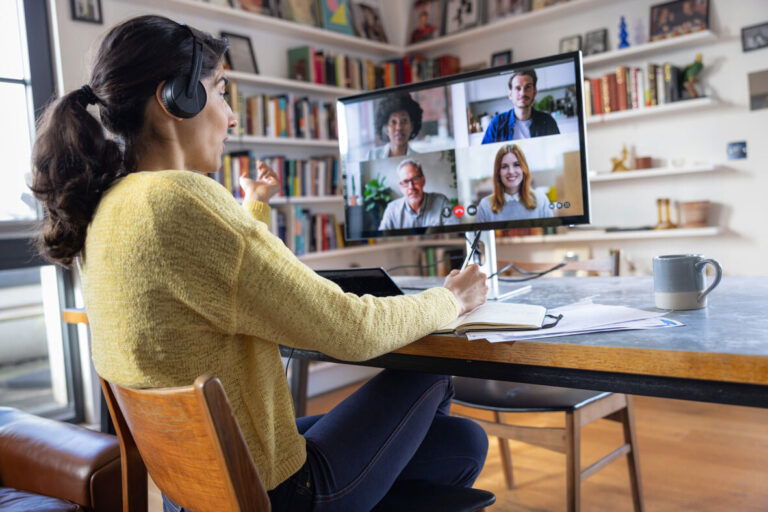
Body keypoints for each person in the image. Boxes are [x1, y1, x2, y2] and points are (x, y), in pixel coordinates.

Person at [29, 15, 490, 512]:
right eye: (221, 91)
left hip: (199, 486)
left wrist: (254, 205)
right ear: (174, 100)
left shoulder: (112, 206)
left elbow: (226, 284)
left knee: (461, 443)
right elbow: (350, 331)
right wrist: (451, 298)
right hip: (277, 493)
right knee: (432, 370)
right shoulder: (182, 199)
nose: (231, 118)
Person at [476, 144, 553, 223]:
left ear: (524, 169)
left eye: (516, 165)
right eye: (504, 166)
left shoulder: (541, 200)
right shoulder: (485, 206)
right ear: (498, 172)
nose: (511, 171)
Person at [481, 68, 560, 144]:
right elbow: (484, 154)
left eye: (527, 87)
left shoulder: (548, 122)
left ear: (534, 92)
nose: (523, 93)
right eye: (517, 88)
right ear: (510, 94)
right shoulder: (497, 123)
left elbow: (558, 152)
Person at [378, 159, 459, 230]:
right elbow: (381, 239)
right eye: (405, 182)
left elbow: (456, 231)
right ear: (400, 187)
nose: (411, 187)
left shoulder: (441, 202)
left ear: (423, 180)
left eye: (415, 179)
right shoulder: (392, 210)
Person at [367, 93, 422, 159]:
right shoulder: (372, 156)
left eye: (404, 121)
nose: (399, 127)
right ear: (386, 128)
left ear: (412, 126)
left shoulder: (419, 159)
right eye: (393, 122)